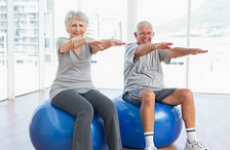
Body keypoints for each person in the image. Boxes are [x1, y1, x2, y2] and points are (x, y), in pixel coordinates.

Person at [122, 21, 210, 150]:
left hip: (158, 90)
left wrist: (190, 51)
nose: (146, 36)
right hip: (134, 90)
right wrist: (155, 46)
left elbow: (173, 52)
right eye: (142, 34)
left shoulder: (157, 50)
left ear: (153, 34)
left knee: (187, 93)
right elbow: (140, 51)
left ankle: (191, 141)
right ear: (136, 35)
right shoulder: (131, 47)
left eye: (148, 33)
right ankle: (150, 145)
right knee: (148, 94)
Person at [49, 10, 125, 150]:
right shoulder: (62, 42)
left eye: (81, 25)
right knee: (85, 109)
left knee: (109, 107)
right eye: (74, 25)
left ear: (85, 28)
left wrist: (111, 41)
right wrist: (85, 39)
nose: (78, 29)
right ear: (67, 28)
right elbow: (69, 46)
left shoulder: (88, 45)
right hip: (62, 89)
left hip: (86, 88)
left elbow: (100, 45)